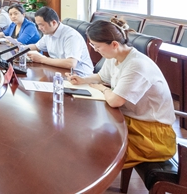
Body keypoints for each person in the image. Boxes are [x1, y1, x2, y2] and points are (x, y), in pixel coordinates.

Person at [69, 19, 176, 168]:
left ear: (114, 44)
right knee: (82, 132)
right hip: (130, 120)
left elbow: (115, 101)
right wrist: (83, 79)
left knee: (93, 150)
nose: (95, 50)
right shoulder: (115, 56)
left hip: (151, 134)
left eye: (97, 46)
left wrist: (103, 89)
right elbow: (102, 76)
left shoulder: (136, 65)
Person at [27, 6, 93, 76]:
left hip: (80, 76)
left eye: (41, 25)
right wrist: (21, 48)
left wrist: (41, 59)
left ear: (54, 23)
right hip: (60, 72)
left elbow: (71, 63)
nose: (39, 28)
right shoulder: (48, 33)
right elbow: (36, 47)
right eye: (38, 25)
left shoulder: (71, 36)